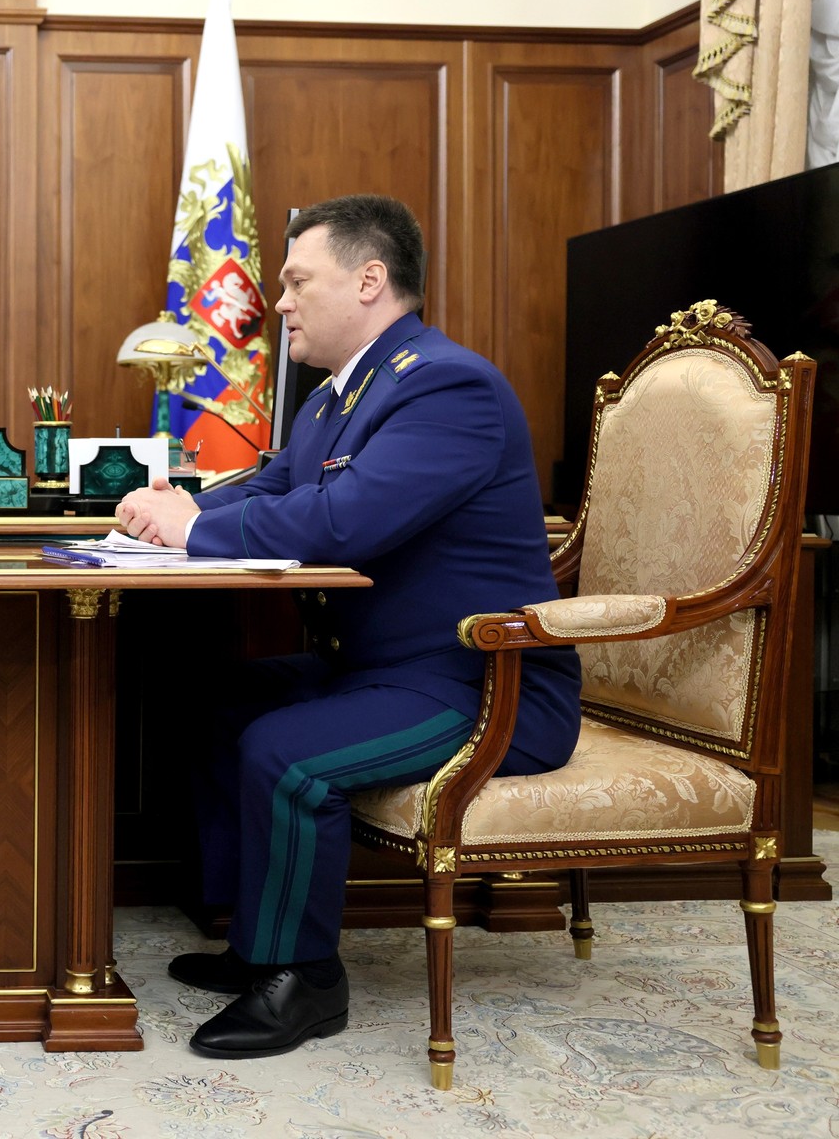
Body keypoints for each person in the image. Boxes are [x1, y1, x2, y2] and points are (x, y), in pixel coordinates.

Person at [116, 195, 581, 1061]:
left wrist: (192, 532)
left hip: (485, 686)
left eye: (298, 281)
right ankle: (255, 942)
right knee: (220, 703)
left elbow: (346, 521)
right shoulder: (337, 399)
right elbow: (269, 490)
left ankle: (304, 979)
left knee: (287, 753)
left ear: (370, 280)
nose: (280, 302)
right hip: (385, 670)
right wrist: (174, 511)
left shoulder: (448, 386)